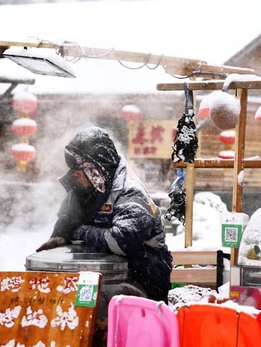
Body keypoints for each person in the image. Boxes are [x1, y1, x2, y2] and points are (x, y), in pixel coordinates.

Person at [37, 126, 173, 302]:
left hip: (143, 279)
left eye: (81, 170)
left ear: (97, 168)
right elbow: (67, 221)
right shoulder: (84, 187)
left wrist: (80, 232)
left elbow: (121, 242)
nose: (76, 175)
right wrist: (60, 236)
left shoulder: (130, 192)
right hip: (100, 278)